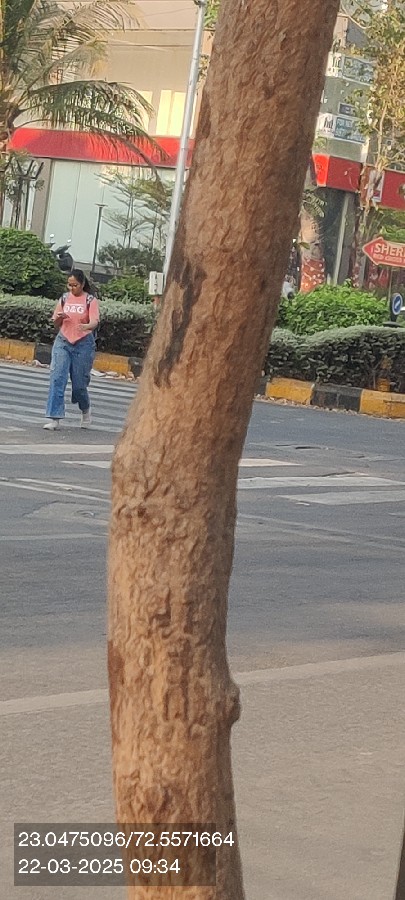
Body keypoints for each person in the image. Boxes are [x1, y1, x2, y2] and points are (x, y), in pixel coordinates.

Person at [43, 269, 100, 430]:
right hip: (63, 341)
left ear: (82, 284)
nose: (72, 288)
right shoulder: (64, 298)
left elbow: (95, 321)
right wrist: (59, 318)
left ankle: (85, 409)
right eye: (69, 285)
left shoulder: (90, 300)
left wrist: (86, 326)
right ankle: (54, 417)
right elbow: (55, 323)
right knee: (57, 378)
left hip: (83, 343)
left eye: (75, 285)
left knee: (79, 385)